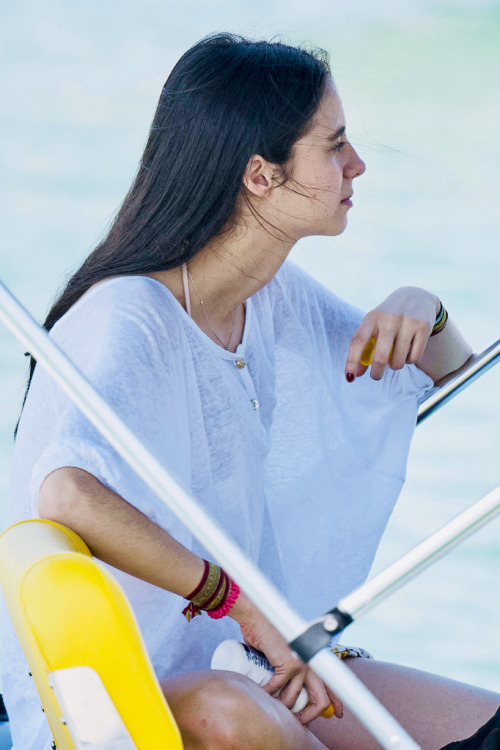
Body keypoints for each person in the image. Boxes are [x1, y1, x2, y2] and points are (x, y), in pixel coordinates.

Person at [1, 33, 498, 750]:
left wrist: (424, 306)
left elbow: (445, 371)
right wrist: (245, 607)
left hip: (243, 663)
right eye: (335, 146)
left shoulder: (270, 297)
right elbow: (67, 494)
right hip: (116, 694)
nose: (357, 165)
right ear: (260, 176)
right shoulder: (130, 314)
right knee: (236, 713)